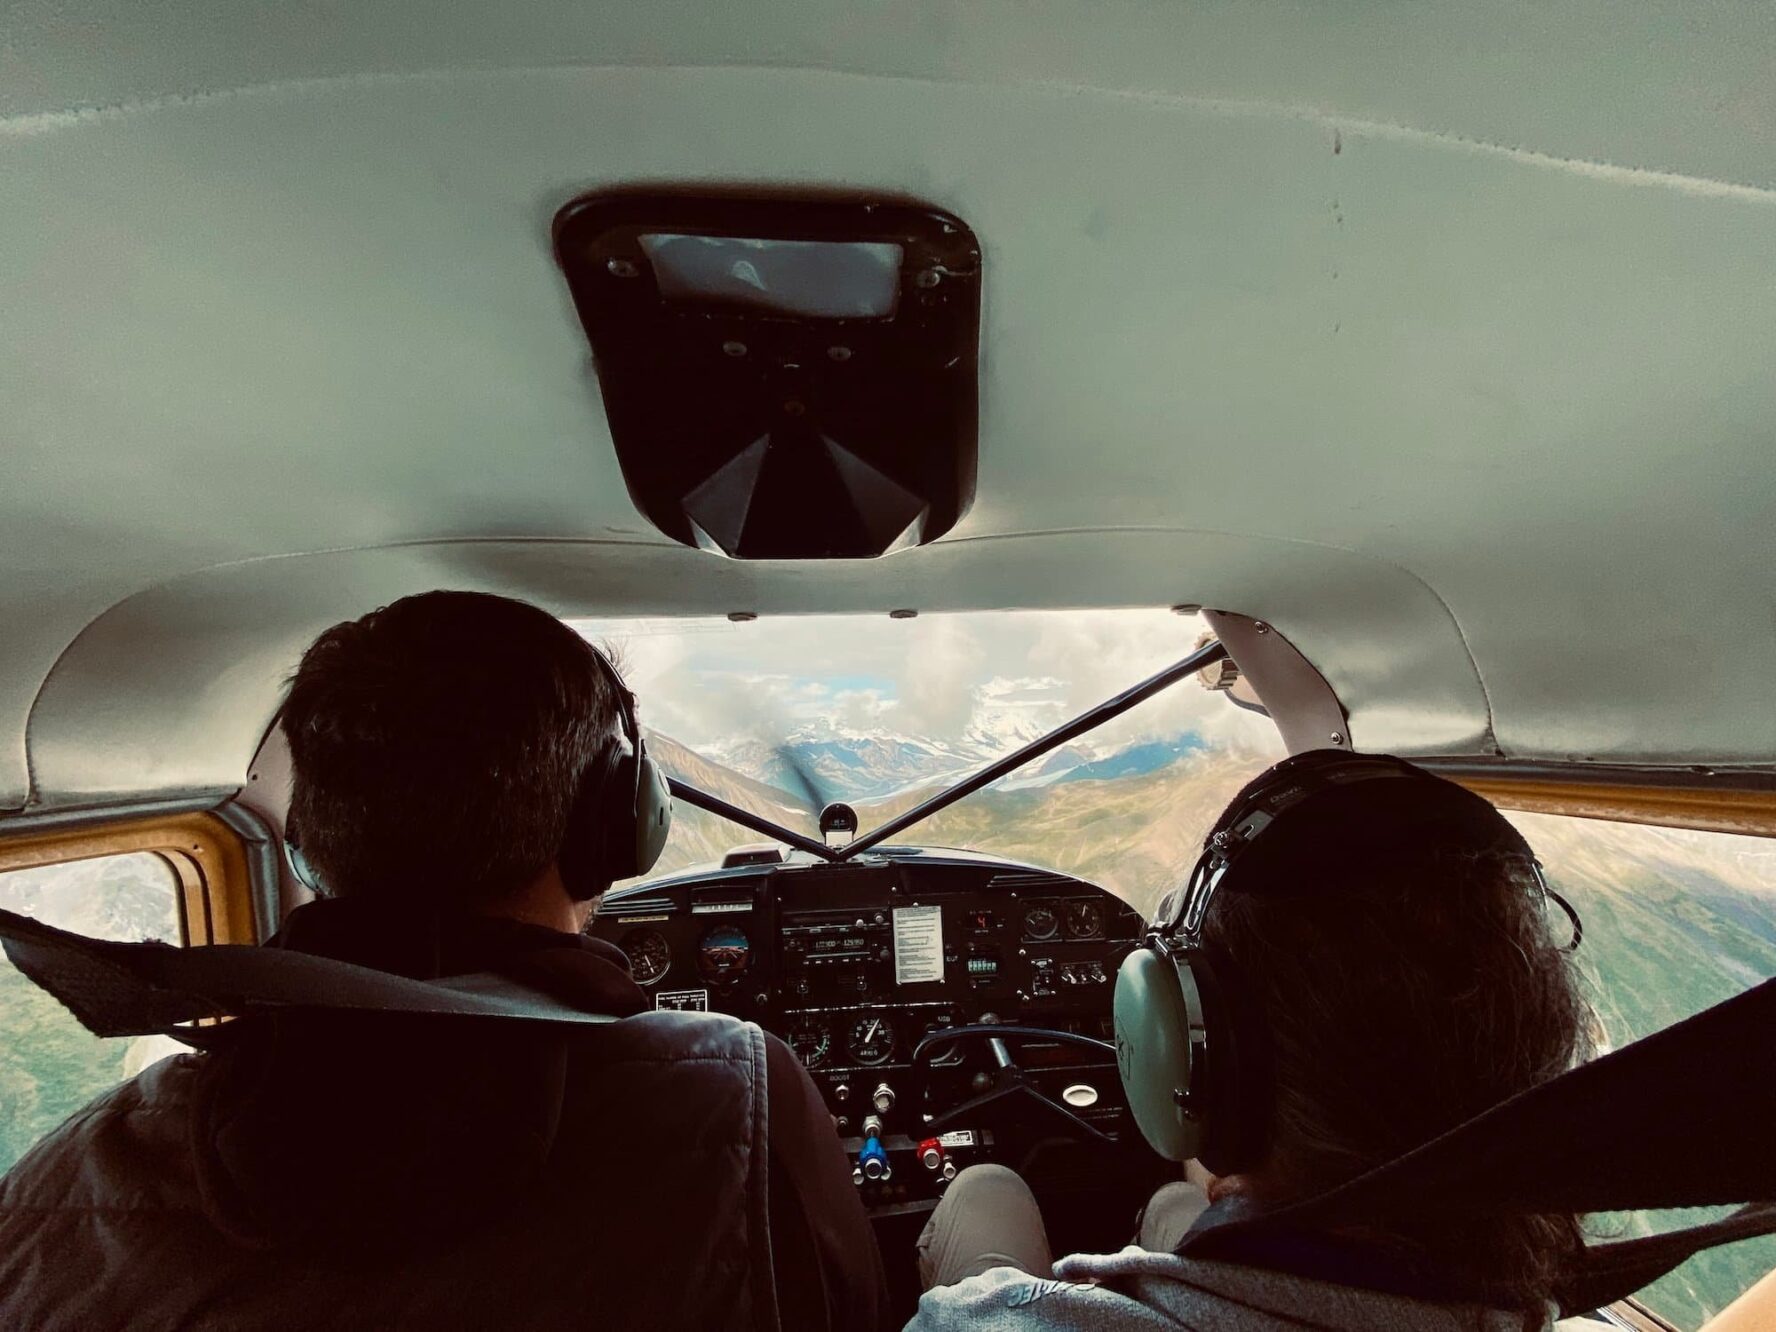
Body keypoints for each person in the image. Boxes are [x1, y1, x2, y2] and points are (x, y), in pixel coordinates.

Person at [0, 590, 889, 1330]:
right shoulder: (734, 1089)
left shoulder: (58, 1182)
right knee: (985, 1200)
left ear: (306, 841)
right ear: (615, 825)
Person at [909, 751, 1592, 1332]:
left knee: (985, 1187)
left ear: (1194, 1061)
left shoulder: (992, 1319)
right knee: (1180, 1204)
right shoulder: (1527, 1309)